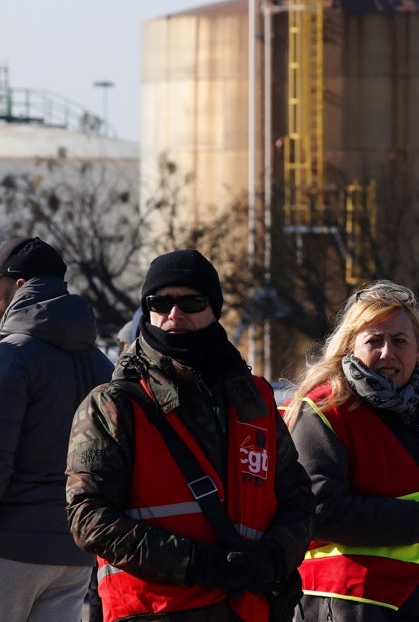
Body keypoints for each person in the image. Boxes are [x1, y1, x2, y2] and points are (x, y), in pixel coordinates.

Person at [66, 248, 314, 621]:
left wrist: (274, 557)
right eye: (160, 302)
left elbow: (298, 498)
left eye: (191, 302)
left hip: (250, 608)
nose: (174, 314)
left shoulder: (255, 399)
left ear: (213, 309)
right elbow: (88, 518)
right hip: (155, 611)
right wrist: (196, 563)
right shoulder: (113, 404)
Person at [285, 280, 419, 620]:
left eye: (400, 341)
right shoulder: (325, 412)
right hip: (354, 604)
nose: (388, 352)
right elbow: (320, 510)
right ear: (350, 347)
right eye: (374, 341)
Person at [0, 236, 113, 622]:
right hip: (73, 556)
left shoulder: (10, 356)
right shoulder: (101, 363)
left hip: (5, 551)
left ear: (19, 286)